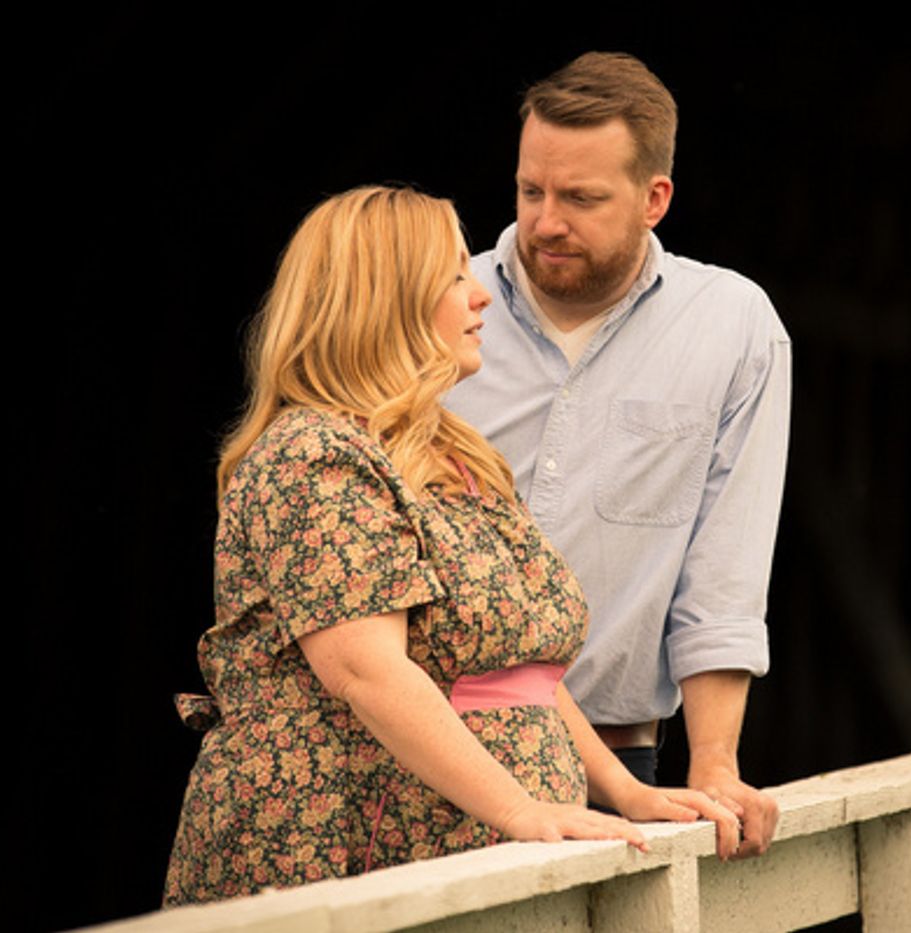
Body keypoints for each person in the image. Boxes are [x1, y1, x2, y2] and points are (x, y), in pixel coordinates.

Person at [163, 185, 739, 906]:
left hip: (473, 852)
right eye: (453, 276)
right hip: (342, 855)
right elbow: (366, 670)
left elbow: (524, 668)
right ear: (386, 301)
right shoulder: (313, 456)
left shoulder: (457, 456)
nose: (482, 295)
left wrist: (625, 791)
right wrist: (519, 810)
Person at [445, 52, 791, 858]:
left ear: (654, 199)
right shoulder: (440, 309)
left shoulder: (733, 327)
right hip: (438, 747)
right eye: (531, 191)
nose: (545, 222)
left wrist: (715, 763)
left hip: (620, 756)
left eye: (581, 198)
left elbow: (724, 568)